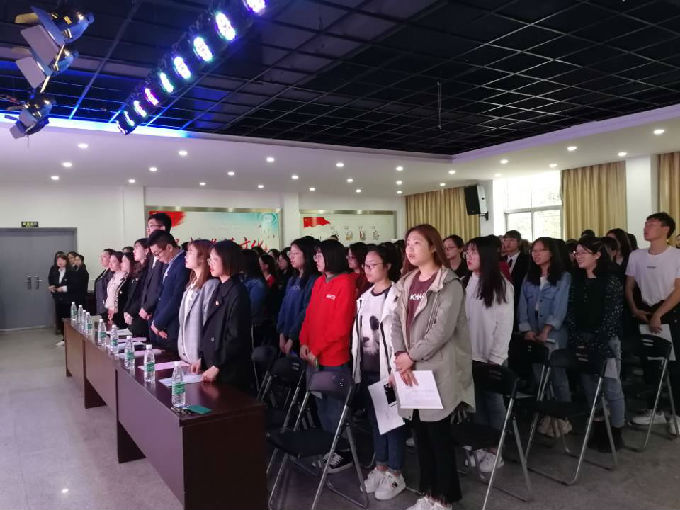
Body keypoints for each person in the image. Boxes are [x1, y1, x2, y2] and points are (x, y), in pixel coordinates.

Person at [392, 224, 473, 510]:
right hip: (411, 369)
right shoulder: (407, 282)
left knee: (438, 436)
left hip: (437, 370)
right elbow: (395, 322)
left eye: (416, 243)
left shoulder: (449, 284)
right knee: (420, 435)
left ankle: (445, 498)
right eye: (407, 244)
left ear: (432, 246)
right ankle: (428, 493)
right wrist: (400, 355)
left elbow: (441, 330)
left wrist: (410, 356)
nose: (410, 249)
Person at [351, 243, 407, 500]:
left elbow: (400, 337)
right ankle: (381, 466)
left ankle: (395, 473)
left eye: (373, 265)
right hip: (368, 368)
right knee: (375, 420)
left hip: (388, 370)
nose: (368, 269)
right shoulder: (364, 296)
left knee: (392, 422)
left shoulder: (396, 296)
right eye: (366, 265)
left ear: (388, 266)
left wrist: (396, 370)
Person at [299, 239, 356, 473]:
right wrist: (303, 342)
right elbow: (309, 315)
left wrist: (316, 349)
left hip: (333, 360)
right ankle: (329, 448)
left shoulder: (346, 283)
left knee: (335, 409)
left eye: (320, 255)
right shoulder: (320, 282)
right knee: (321, 406)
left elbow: (340, 326)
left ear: (331, 257)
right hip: (313, 358)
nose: (316, 259)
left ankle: (343, 451)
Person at [566, 236, 626, 451]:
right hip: (582, 339)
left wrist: (597, 341)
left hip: (605, 341)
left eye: (583, 252)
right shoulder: (577, 280)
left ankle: (616, 431)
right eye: (576, 252)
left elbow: (612, 316)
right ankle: (599, 427)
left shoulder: (610, 281)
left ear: (598, 255)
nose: (578, 256)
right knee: (590, 387)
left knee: (611, 387)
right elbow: (571, 311)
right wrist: (578, 338)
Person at [626, 213, 680, 434]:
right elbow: (629, 286)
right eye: (646, 223)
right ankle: (654, 409)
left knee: (675, 366)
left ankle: (677, 414)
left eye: (652, 224)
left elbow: (678, 290)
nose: (646, 227)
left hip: (670, 315)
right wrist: (634, 309)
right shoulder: (636, 256)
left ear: (666, 230)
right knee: (650, 364)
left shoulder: (676, 256)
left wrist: (659, 314)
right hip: (644, 314)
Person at [464, 236, 514, 471]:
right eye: (468, 252)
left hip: (492, 357)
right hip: (470, 354)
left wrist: (495, 359)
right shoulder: (467, 281)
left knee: (493, 403)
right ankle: (483, 444)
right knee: (477, 403)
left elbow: (504, 326)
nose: (468, 256)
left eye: (473, 252)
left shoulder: (501, 286)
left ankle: (497, 449)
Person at [518, 237, 572, 435]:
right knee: (540, 375)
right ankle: (547, 415)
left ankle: (563, 416)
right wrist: (527, 330)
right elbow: (522, 305)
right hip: (533, 332)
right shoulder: (529, 277)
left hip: (554, 334)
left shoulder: (563, 277)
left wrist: (547, 330)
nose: (536, 254)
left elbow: (560, 306)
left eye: (541, 250)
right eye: (534, 250)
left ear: (551, 253)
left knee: (557, 375)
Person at [191, 240, 252, 390]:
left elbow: (235, 337)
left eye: (214, 259)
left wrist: (217, 365)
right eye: (209, 259)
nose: (210, 263)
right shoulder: (220, 287)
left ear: (228, 260)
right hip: (213, 363)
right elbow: (210, 328)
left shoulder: (238, 292)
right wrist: (202, 359)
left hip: (228, 369)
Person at [178, 240, 219, 364]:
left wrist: (202, 356)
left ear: (202, 258)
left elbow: (208, 324)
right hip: (185, 353)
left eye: (190, 252)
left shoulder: (210, 285)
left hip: (199, 356)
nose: (186, 256)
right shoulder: (191, 283)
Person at [277, 238, 320, 355]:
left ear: (307, 255)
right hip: (286, 335)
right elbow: (284, 307)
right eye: (290, 254)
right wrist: (281, 333)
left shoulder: (314, 280)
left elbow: (306, 311)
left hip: (300, 338)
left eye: (295, 253)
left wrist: (292, 338)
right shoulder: (292, 279)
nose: (291, 257)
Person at [149, 230, 189, 351]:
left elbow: (177, 298)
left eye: (157, 254)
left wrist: (159, 323)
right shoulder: (170, 263)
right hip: (160, 326)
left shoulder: (183, 264)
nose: (157, 258)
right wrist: (155, 321)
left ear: (169, 247)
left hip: (170, 327)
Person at [139, 213, 172, 326]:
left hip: (161, 313)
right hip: (148, 313)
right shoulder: (152, 254)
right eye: (147, 226)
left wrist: (148, 307)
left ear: (162, 228)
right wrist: (144, 307)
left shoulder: (168, 252)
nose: (148, 229)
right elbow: (148, 284)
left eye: (151, 225)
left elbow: (161, 285)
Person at [123, 239, 151, 338]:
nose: (134, 251)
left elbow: (143, 295)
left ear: (146, 251)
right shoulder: (137, 268)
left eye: (136, 248)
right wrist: (126, 311)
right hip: (132, 315)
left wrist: (131, 312)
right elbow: (131, 295)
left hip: (141, 315)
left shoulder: (149, 269)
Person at [502, 230, 530, 314]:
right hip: (503, 300)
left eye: (512, 240)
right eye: (505, 240)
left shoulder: (527, 260)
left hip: (520, 299)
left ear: (519, 243)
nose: (508, 243)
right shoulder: (501, 259)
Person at [49, 254, 71, 341]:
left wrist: (63, 288)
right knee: (60, 319)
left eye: (62, 260)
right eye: (58, 260)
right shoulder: (56, 272)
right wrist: (53, 287)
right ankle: (64, 337)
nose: (60, 262)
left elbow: (74, 285)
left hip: (68, 300)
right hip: (58, 299)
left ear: (66, 261)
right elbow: (55, 284)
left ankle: (69, 339)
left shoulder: (70, 272)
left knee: (67, 319)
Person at [111, 253, 134, 328]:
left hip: (125, 317)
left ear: (131, 262)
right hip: (119, 316)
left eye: (124, 261)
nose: (121, 264)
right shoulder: (126, 278)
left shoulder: (132, 279)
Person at [105, 251, 128, 324]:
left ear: (120, 262)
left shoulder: (124, 277)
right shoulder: (114, 276)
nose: (110, 264)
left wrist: (114, 310)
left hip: (119, 313)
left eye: (114, 261)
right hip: (110, 311)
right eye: (110, 261)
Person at [94, 249, 114, 320]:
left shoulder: (111, 273)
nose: (101, 259)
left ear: (111, 258)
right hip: (100, 307)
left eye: (104, 256)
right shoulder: (104, 272)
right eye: (101, 257)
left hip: (106, 309)